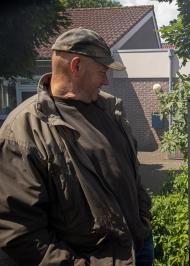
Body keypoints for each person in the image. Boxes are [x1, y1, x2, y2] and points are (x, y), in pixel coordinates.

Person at [0, 28, 154, 265]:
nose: (106, 80)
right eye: (102, 71)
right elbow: (19, 230)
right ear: (76, 66)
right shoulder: (23, 130)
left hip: (138, 248)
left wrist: (144, 220)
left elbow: (131, 175)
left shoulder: (110, 109)